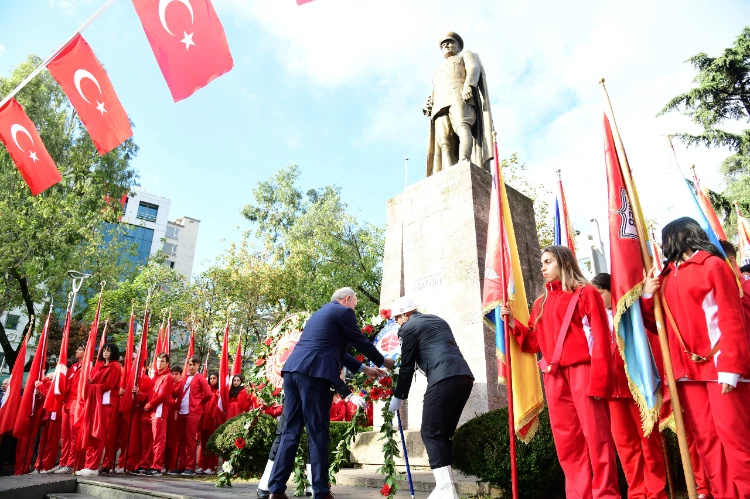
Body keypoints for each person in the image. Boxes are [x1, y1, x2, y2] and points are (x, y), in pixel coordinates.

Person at [642, 217, 750, 499]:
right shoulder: (665, 278)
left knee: (735, 440)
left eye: (666, 240)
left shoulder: (713, 265)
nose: (663, 247)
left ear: (679, 237)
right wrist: (646, 295)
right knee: (707, 443)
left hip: (719, 368)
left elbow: (731, 317)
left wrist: (730, 367)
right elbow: (657, 326)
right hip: (686, 373)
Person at [501, 245, 619, 499]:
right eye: (542, 262)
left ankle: (606, 494)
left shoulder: (586, 293)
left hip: (583, 372)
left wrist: (600, 382)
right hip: (553, 378)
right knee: (567, 443)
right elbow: (535, 343)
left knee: (597, 438)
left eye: (548, 262)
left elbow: (601, 338)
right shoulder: (541, 302)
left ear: (563, 262)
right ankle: (579, 495)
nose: (542, 267)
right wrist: (512, 322)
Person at [267, 287, 395, 499]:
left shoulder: (321, 314)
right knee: (318, 433)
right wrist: (383, 361)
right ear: (347, 299)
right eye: (355, 303)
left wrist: (365, 369)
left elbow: (338, 352)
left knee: (290, 431)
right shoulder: (343, 312)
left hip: (292, 372)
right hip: (314, 375)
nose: (355, 308)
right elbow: (359, 341)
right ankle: (321, 492)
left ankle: (276, 490)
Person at [386, 296, 474, 499]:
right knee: (442, 434)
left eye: (397, 319)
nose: (397, 324)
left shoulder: (408, 328)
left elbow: (407, 366)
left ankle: (445, 488)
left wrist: (399, 397)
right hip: (464, 377)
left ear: (405, 314)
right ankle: (448, 488)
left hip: (443, 378)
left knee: (430, 432)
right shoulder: (437, 320)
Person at [591, 273, 668, 499]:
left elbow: (647, 319)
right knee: (626, 447)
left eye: (601, 293)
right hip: (611, 390)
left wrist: (644, 293)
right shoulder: (593, 318)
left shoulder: (627, 312)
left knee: (649, 443)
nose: (597, 298)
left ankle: (655, 492)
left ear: (612, 291)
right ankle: (636, 493)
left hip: (637, 386)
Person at [257, 376, 371, 499]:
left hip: (296, 384)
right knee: (313, 436)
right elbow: (327, 368)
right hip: (312, 388)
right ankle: (315, 489)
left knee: (289, 436)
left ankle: (276, 488)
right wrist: (350, 392)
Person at [423, 31, 494, 176]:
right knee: (444, 140)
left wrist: (469, 85)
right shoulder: (437, 70)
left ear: (458, 47)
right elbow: (436, 88)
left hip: (459, 96)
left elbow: (474, 68)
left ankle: (464, 160)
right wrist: (427, 103)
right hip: (440, 104)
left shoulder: (465, 55)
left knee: (462, 126)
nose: (446, 45)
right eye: (443, 44)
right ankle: (449, 171)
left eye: (450, 42)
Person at [77, 343, 122, 476]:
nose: (105, 353)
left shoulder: (115, 367)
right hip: (96, 402)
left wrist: (92, 387)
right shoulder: (101, 366)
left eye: (108, 351)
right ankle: (88, 464)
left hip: (106, 403)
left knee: (99, 433)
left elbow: (109, 385)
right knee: (91, 432)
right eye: (104, 350)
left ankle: (93, 466)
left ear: (113, 353)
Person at [134, 353, 173, 476]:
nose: (159, 363)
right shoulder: (155, 377)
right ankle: (144, 464)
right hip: (148, 414)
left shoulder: (168, 377)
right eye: (158, 361)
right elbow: (149, 395)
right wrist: (138, 393)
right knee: (146, 442)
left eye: (162, 361)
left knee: (158, 441)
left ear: (167, 364)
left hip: (158, 413)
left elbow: (162, 396)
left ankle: (156, 466)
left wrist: (149, 405)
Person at [174, 356, 212, 476]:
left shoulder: (200, 378)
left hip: (193, 412)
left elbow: (209, 394)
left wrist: (198, 404)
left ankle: (190, 467)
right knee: (181, 440)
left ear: (198, 365)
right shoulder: (184, 378)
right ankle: (181, 466)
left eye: (193, 365)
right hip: (181, 411)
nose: (191, 367)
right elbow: (177, 392)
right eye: (189, 364)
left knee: (190, 440)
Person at [54, 345, 85, 474]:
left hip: (76, 404)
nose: (76, 350)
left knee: (73, 436)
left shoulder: (87, 367)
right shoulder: (73, 367)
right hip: (66, 404)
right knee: (64, 436)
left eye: (79, 349)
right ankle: (63, 462)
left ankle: (71, 464)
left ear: (86, 352)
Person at [197, 371, 219, 475]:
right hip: (204, 419)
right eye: (210, 378)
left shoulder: (219, 392)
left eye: (214, 378)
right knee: (203, 444)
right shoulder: (205, 391)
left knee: (212, 444)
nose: (212, 380)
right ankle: (202, 465)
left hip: (213, 421)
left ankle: (211, 466)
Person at [166, 365, 183, 474]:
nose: (174, 376)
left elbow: (179, 400)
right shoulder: (168, 383)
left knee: (174, 441)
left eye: (176, 374)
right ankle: (166, 465)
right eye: (172, 373)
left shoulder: (181, 385)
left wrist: (171, 401)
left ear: (180, 375)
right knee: (166, 440)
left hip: (176, 416)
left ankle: (173, 465)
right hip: (167, 415)